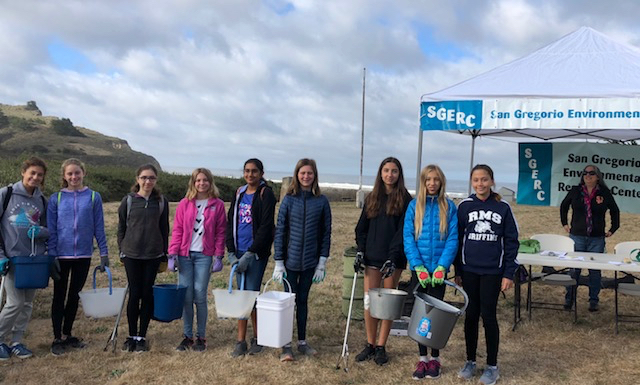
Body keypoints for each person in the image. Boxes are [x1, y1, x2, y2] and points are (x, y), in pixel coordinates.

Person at [454, 164, 519, 385]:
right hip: (469, 271)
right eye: (476, 180)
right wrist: (458, 271)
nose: (480, 184)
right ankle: (470, 361)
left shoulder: (503, 207)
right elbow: (457, 240)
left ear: (491, 181)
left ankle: (492, 366)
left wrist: (508, 273)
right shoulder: (464, 206)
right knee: (470, 316)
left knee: (488, 317)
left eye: (484, 179)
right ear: (471, 182)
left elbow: (512, 242)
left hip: (493, 272)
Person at [47, 158, 109, 356]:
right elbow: (51, 229)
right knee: (59, 295)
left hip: (83, 254)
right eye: (70, 174)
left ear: (84, 173)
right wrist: (52, 254)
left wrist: (104, 252)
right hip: (61, 256)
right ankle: (57, 338)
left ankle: (68, 333)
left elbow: (99, 226)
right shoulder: (55, 198)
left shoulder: (93, 197)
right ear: (64, 176)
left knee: (74, 295)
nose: (74, 177)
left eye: (77, 173)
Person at [353, 157, 412, 366]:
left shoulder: (405, 199)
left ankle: (381, 345)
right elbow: (361, 228)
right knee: (370, 302)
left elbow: (403, 232)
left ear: (399, 174)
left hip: (393, 260)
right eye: (386, 170)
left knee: (387, 304)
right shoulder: (372, 197)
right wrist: (360, 251)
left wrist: (393, 257)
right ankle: (369, 343)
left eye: (394, 171)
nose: (390, 175)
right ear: (380, 173)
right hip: (372, 258)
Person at [272, 158, 331, 362]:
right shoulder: (289, 200)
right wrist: (278, 261)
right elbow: (281, 231)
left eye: (310, 173)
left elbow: (326, 233)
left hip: (310, 263)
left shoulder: (322, 201)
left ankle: (302, 342)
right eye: (302, 173)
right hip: (289, 263)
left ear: (315, 176)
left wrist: (322, 262)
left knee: (303, 301)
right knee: (289, 302)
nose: (306, 176)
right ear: (297, 175)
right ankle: (286, 345)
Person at [403, 164, 458, 379]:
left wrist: (442, 267)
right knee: (421, 316)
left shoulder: (449, 206)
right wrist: (417, 266)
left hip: (439, 273)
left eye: (436, 179)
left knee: (436, 317)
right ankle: (422, 359)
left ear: (441, 181)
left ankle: (435, 358)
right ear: (423, 182)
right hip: (420, 272)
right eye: (428, 180)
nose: (432, 183)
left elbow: (453, 239)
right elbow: (408, 238)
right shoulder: (414, 206)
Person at [168, 168, 226, 352]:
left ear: (210, 182)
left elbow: (220, 232)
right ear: (193, 183)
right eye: (198, 180)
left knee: (200, 294)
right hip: (185, 255)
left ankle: (201, 336)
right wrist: (172, 254)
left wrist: (218, 255)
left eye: (205, 180)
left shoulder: (217, 205)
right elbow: (177, 230)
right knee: (186, 296)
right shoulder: (185, 204)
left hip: (204, 256)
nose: (201, 183)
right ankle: (187, 336)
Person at [226, 159, 276, 357]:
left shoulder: (266, 194)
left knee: (251, 295)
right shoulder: (238, 193)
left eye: (254, 171)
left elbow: (265, 227)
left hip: (255, 254)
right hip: (238, 252)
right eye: (247, 171)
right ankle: (241, 341)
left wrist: (250, 253)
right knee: (242, 295)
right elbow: (231, 221)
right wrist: (230, 251)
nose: (250, 175)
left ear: (261, 173)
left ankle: (257, 337)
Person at [0, 157, 49, 360]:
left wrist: (41, 232)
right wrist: (1, 256)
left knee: (27, 303)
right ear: (23, 172)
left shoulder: (42, 200)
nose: (35, 177)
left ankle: (17, 342)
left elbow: (49, 230)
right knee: (14, 303)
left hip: (33, 261)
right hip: (12, 260)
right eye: (32, 173)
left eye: (39, 175)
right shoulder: (6, 194)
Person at [117, 164, 169, 352]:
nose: (148, 181)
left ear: (156, 180)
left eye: (152, 178)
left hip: (153, 255)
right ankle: (131, 335)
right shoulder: (128, 201)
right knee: (135, 294)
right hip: (131, 254)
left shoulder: (161, 202)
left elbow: (164, 229)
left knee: (147, 294)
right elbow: (121, 227)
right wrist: (121, 249)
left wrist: (165, 252)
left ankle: (142, 336)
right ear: (137, 179)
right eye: (144, 177)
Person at [560, 164, 619, 312]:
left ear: (597, 176)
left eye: (591, 173)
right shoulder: (575, 191)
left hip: (596, 238)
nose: (588, 175)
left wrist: (613, 229)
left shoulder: (604, 193)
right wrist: (565, 223)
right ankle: (569, 299)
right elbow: (564, 206)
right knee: (574, 270)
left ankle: (593, 301)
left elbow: (615, 211)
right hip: (577, 236)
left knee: (594, 271)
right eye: (585, 173)